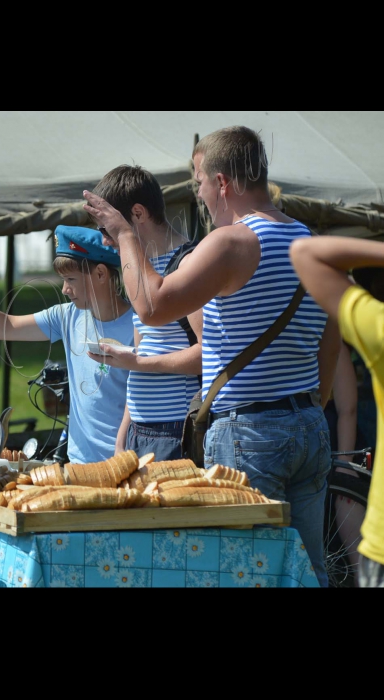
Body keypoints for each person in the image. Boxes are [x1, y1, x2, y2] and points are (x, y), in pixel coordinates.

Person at [83, 125, 340, 587]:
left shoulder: (230, 242)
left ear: (222, 182)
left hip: (251, 431)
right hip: (308, 425)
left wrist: (123, 234)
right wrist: (314, 403)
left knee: (245, 574)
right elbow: (333, 330)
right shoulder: (311, 240)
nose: (198, 193)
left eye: (199, 180)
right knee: (309, 573)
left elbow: (151, 305)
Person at [0, 225, 134, 464]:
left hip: (124, 459)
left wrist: (121, 449)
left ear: (101, 274)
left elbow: (140, 398)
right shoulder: (67, 316)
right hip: (79, 461)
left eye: (70, 279)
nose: (64, 289)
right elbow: (5, 326)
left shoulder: (138, 326)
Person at [86, 165, 202, 461]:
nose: (105, 241)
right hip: (140, 429)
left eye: (107, 229)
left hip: (176, 428)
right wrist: (124, 431)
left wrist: (136, 362)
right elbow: (143, 349)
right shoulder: (137, 269)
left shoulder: (189, 264)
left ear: (138, 213)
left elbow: (207, 356)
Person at [290, 235, 384, 587]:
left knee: (344, 497)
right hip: (315, 439)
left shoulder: (354, 333)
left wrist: (345, 461)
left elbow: (346, 408)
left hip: (337, 442)